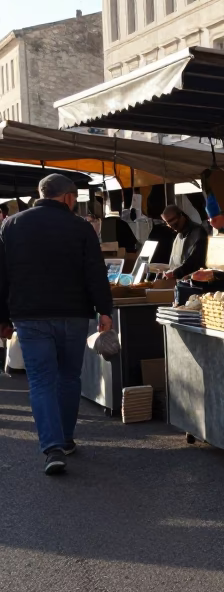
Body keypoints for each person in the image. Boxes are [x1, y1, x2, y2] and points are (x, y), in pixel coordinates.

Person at [0, 174, 114, 475]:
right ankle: (65, 438)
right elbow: (95, 271)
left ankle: (52, 448)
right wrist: (104, 310)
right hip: (73, 313)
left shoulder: (11, 225)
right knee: (68, 377)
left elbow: (2, 275)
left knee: (40, 381)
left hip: (29, 315)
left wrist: (2, 317)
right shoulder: (81, 227)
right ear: (68, 197)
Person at [160, 205, 209, 280]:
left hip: (195, 282)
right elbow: (173, 264)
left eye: (175, 224)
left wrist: (175, 273)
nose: (173, 228)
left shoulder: (197, 232)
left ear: (181, 215)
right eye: (169, 225)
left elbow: (194, 262)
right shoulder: (178, 236)